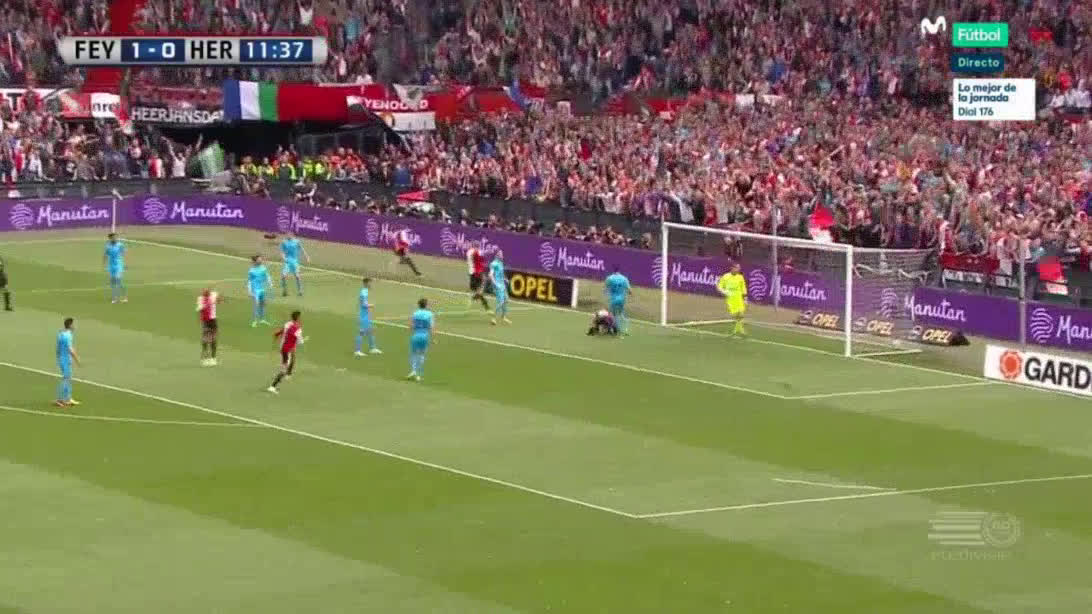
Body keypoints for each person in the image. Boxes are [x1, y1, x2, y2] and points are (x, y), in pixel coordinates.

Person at [268, 310, 306, 394]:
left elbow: (282, 331)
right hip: (287, 349)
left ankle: (288, 374)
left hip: (283, 347)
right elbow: (300, 342)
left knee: (291, 359)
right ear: (298, 318)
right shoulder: (298, 329)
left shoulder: (288, 324)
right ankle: (272, 386)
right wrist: (302, 340)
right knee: (283, 369)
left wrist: (277, 335)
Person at [716, 263, 748, 337]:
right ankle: (738, 330)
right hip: (731, 297)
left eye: (739, 268)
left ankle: (739, 331)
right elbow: (719, 287)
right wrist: (724, 292)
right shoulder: (726, 276)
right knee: (736, 314)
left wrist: (745, 298)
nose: (738, 269)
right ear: (732, 268)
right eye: (737, 268)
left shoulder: (740, 277)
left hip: (739, 297)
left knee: (741, 314)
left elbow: (743, 288)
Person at [55, 317, 81, 407]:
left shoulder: (61, 334)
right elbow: (70, 349)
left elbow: (58, 348)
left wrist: (59, 357)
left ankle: (68, 398)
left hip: (62, 359)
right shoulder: (68, 336)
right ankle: (59, 399)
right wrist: (77, 359)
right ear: (70, 325)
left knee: (68, 378)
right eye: (73, 324)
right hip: (65, 359)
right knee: (66, 379)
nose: (75, 326)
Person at [407, 298, 434, 382]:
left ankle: (413, 371)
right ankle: (418, 374)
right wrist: (433, 338)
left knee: (413, 354)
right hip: (425, 336)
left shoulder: (415, 313)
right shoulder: (430, 314)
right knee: (422, 354)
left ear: (419, 305)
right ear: (426, 305)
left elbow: (411, 326)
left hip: (415, 336)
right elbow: (431, 327)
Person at [354, 277, 382, 356]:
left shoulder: (365, 291)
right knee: (361, 332)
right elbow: (363, 304)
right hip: (363, 315)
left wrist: (369, 309)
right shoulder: (363, 292)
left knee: (370, 331)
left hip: (366, 315)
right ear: (366, 283)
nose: (371, 284)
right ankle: (357, 351)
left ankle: (372, 348)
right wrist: (371, 305)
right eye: (370, 283)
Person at [197, 288, 222, 366]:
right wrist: (209, 303)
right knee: (206, 340)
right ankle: (206, 358)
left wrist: (217, 300)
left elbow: (219, 299)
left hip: (212, 321)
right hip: (206, 321)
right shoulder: (201, 299)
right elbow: (201, 310)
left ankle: (212, 358)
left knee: (212, 340)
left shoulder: (212, 295)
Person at [280, 231, 310, 297]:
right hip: (287, 262)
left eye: (289, 234)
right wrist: (284, 258)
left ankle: (300, 291)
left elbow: (302, 249)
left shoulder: (297, 241)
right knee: (283, 276)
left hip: (295, 262)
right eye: (287, 234)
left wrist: (307, 256)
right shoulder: (284, 242)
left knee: (297, 276)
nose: (288, 236)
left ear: (292, 235)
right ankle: (284, 291)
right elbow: (282, 252)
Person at [604, 267, 632, 335]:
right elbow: (630, 290)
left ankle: (615, 329)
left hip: (613, 299)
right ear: (619, 271)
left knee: (612, 314)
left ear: (613, 271)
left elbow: (606, 289)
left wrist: (607, 294)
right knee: (620, 314)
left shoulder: (610, 278)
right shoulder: (624, 278)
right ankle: (624, 328)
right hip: (622, 299)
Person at [247, 255, 272, 327]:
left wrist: (270, 283)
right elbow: (249, 281)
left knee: (263, 304)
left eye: (261, 259)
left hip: (262, 289)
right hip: (255, 290)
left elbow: (267, 276)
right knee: (256, 304)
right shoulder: (251, 271)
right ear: (255, 261)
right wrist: (249, 291)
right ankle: (255, 321)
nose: (261, 261)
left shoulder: (263, 268)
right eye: (259, 260)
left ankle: (262, 319)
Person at [103, 233, 127, 304]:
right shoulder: (108, 246)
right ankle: (114, 298)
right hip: (111, 265)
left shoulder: (120, 245)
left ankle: (123, 297)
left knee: (117, 279)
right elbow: (105, 255)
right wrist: (104, 265)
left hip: (119, 265)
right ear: (110, 238)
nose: (115, 238)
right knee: (113, 281)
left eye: (115, 237)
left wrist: (125, 264)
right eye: (113, 237)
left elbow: (124, 254)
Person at [466, 242, 490, 310]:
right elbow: (480, 258)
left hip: (474, 273)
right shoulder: (474, 252)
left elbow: (479, 259)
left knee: (477, 291)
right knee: (478, 291)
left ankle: (485, 305)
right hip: (476, 273)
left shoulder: (470, 252)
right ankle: (476, 299)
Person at [490, 250, 511, 325]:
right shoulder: (493, 264)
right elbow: (491, 275)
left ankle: (503, 317)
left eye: (502, 254)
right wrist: (495, 284)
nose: (502, 255)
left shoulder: (501, 263)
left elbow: (501, 274)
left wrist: (505, 279)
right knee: (501, 302)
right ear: (497, 255)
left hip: (502, 284)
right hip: (498, 285)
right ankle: (493, 318)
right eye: (501, 254)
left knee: (506, 300)